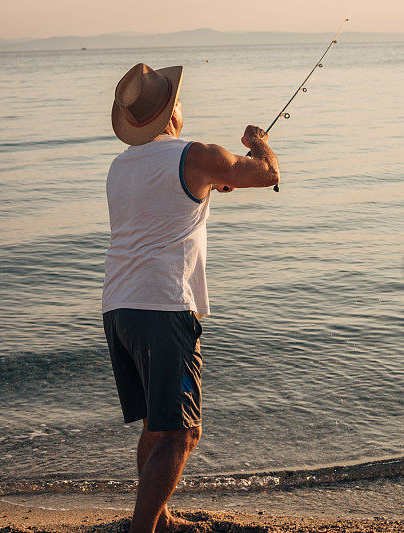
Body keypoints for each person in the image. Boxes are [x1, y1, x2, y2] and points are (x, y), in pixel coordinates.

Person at [102, 63, 280, 533]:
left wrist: (210, 185)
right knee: (182, 432)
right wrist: (258, 141)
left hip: (118, 306)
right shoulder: (196, 153)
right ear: (170, 112)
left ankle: (155, 518)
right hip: (163, 307)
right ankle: (143, 529)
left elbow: (169, 203)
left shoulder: (121, 167)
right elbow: (266, 175)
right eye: (177, 99)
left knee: (155, 427)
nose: (182, 104)